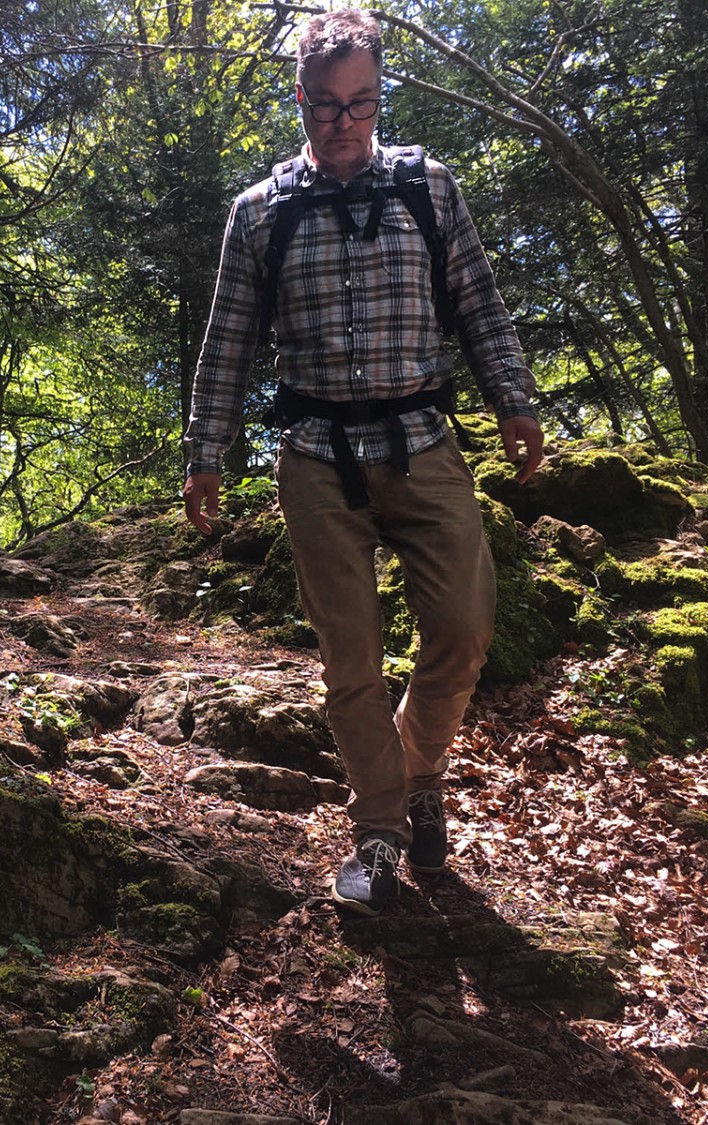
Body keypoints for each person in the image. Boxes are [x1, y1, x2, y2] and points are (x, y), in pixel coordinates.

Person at [182, 8, 544, 916]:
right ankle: (378, 828)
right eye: (327, 105)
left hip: (423, 444)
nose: (345, 122)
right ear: (300, 99)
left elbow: (480, 305)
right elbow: (227, 343)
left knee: (463, 629)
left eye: (362, 104)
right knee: (352, 659)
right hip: (315, 457)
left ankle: (421, 771)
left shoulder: (429, 188)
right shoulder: (259, 214)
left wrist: (515, 401)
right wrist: (205, 455)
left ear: (379, 99)